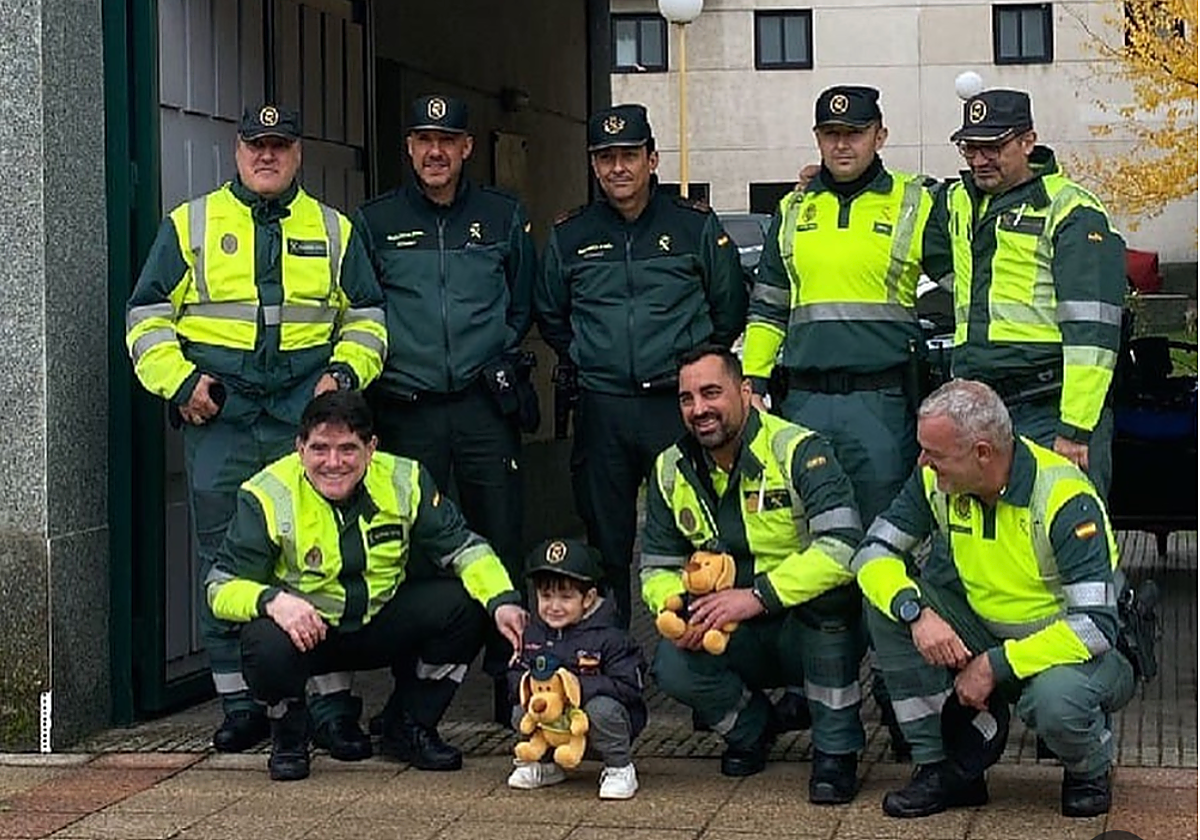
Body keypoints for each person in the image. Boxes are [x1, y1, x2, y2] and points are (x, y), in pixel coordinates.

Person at [125, 105, 388, 756]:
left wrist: (342, 378)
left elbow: (369, 319)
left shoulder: (333, 228)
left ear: (299, 153)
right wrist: (183, 385)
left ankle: (330, 706)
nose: (266, 155)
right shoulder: (190, 225)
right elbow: (146, 317)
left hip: (306, 416)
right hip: (223, 415)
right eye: (255, 145)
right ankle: (239, 703)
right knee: (224, 560)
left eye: (279, 145)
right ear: (236, 151)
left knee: (317, 557)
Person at [743, 85, 937, 756]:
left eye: (855, 132)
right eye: (830, 134)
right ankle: (829, 713)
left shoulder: (918, 200)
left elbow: (960, 278)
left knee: (885, 554)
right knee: (816, 556)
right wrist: (754, 385)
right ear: (818, 139)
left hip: (882, 406)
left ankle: (904, 706)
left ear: (880, 135)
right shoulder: (793, 210)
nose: (842, 144)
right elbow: (767, 308)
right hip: (804, 407)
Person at [205, 390, 528, 781]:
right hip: (309, 632)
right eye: (320, 448)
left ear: (371, 448)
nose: (333, 462)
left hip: (378, 621)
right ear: (299, 447)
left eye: (348, 449)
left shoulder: (405, 478)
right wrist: (273, 601)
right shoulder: (266, 493)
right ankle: (289, 735)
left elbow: (464, 548)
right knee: (263, 640)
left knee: (465, 606)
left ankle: (407, 724)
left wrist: (503, 602)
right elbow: (220, 588)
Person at [852, 379, 1134, 819]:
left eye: (935, 454)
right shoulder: (934, 482)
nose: (923, 462)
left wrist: (994, 665)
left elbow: (1096, 628)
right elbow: (871, 553)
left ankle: (1090, 767)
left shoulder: (1064, 496)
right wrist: (915, 610)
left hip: (1070, 652)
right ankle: (943, 767)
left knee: (1057, 701)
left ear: (983, 452)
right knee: (887, 604)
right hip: (983, 630)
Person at [353, 94, 537, 721]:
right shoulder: (374, 221)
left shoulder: (503, 215)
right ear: (409, 148)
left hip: (485, 406)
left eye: (447, 140)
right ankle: (416, 683)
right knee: (416, 543)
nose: (435, 151)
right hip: (408, 407)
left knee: (501, 537)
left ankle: (510, 677)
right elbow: (361, 307)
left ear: (466, 148)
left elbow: (521, 305)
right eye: (423, 139)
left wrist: (498, 356)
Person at [536, 103, 747, 628]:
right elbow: (550, 314)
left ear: (652, 159)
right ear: (593, 165)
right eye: (605, 158)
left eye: (629, 155)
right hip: (603, 407)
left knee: (697, 536)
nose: (618, 168)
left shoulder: (692, 225)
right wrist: (589, 357)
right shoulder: (570, 235)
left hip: (677, 407)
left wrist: (692, 372)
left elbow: (729, 308)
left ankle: (701, 660)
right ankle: (614, 660)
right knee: (607, 543)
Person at [640, 345, 865, 801]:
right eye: (687, 399)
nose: (699, 409)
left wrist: (758, 595)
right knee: (671, 664)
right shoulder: (669, 468)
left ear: (745, 392)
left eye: (711, 393)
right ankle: (753, 730)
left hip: (800, 622)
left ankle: (835, 752)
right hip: (728, 628)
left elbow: (843, 547)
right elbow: (656, 566)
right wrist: (675, 606)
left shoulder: (799, 449)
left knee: (834, 603)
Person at [922, 89, 1126, 499]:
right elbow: (933, 257)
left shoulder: (1069, 209)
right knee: (979, 544)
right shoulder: (955, 201)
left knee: (1064, 545)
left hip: (1050, 410)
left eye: (994, 147)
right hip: (978, 410)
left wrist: (1075, 429)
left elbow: (1094, 332)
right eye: (970, 148)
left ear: (1027, 142)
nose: (979, 160)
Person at [506, 538, 647, 799]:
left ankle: (619, 768)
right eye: (546, 596)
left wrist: (573, 688)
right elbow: (514, 675)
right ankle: (546, 764)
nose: (554, 606)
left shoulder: (611, 636)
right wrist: (528, 687)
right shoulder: (533, 632)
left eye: (566, 596)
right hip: (554, 728)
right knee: (520, 710)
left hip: (598, 728)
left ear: (588, 598)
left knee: (602, 709)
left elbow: (630, 688)